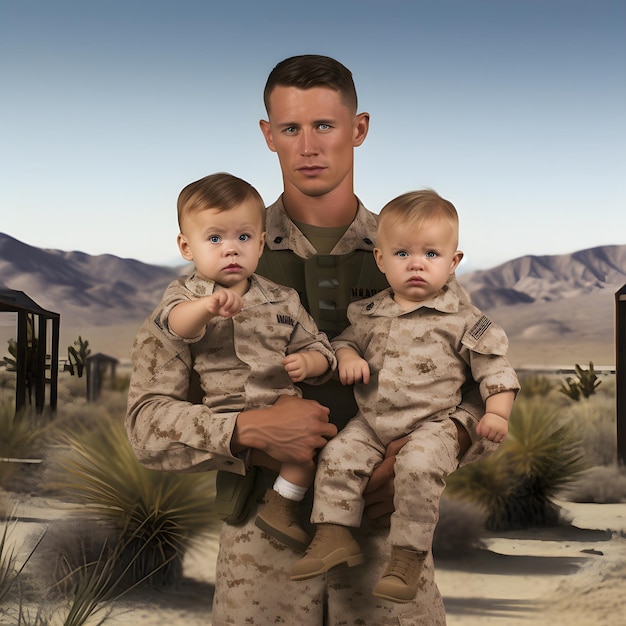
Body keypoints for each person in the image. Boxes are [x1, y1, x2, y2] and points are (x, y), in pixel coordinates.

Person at [126, 54, 500, 625]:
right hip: (259, 544)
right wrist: (244, 430)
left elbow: (484, 392)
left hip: (387, 545)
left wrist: (413, 456)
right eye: (291, 128)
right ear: (267, 135)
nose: (308, 146)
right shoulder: (218, 261)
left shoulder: (413, 250)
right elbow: (145, 423)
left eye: (325, 125)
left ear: (359, 129)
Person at [290, 189, 520, 603]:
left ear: (454, 262)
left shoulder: (465, 321)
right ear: (380, 260)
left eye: (431, 254)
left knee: (416, 468)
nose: (416, 264)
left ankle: (407, 557)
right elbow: (344, 341)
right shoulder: (369, 313)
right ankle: (333, 533)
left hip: (433, 423)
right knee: (338, 456)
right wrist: (346, 356)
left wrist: (497, 415)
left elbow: (496, 371)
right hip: (373, 421)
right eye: (402, 254)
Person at [147, 171, 336, 550]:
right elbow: (175, 326)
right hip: (228, 410)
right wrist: (205, 307)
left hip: (283, 402)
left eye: (243, 237)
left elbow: (319, 344)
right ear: (187, 246)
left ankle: (282, 509)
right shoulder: (183, 295)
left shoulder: (283, 299)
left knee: (319, 446)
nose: (230, 249)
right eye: (214, 238)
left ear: (261, 242)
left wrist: (312, 363)